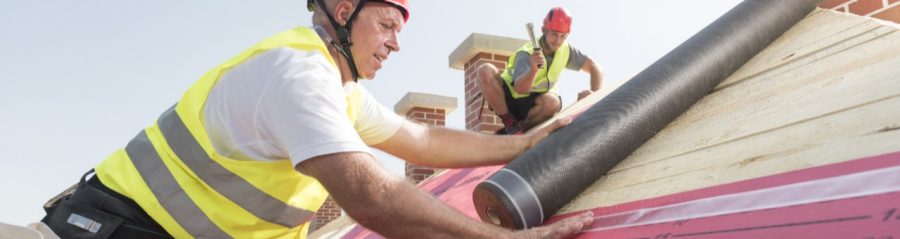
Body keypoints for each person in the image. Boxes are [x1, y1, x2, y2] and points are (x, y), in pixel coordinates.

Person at [36, 0, 593, 238]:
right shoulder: (296, 75)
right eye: (388, 26)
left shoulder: (338, 89)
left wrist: (520, 148)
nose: (397, 44)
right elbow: (374, 199)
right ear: (345, 13)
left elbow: (422, 138)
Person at [477, 7, 604, 135]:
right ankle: (509, 123)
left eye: (563, 36)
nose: (558, 41)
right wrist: (533, 70)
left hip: (535, 106)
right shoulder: (526, 53)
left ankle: (518, 129)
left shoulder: (566, 50)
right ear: (544, 30)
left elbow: (595, 68)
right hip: (509, 100)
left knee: (552, 103)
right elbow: (519, 89)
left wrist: (593, 95)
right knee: (485, 70)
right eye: (554, 34)